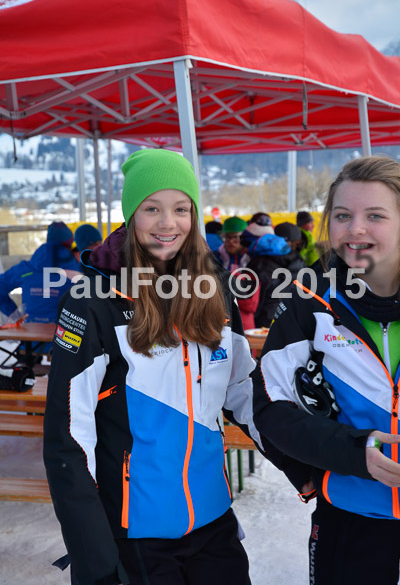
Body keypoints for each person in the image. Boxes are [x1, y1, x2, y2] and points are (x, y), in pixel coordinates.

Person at [43, 149, 264, 585]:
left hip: (212, 521)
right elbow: (68, 437)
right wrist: (96, 558)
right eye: (152, 208)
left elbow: (245, 391)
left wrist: (318, 463)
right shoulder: (93, 300)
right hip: (135, 532)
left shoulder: (214, 285)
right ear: (131, 215)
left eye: (181, 209)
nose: (168, 223)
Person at [253, 156, 400, 585]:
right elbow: (269, 406)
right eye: (342, 215)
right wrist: (348, 453)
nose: (356, 229)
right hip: (349, 519)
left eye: (375, 215)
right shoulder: (309, 303)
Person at [0, 221, 80, 323]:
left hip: (31, 334)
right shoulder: (77, 271)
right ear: (69, 243)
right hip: (66, 334)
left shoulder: (27, 269)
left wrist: (16, 316)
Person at [242, 221, 305, 329]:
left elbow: (250, 299)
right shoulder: (300, 263)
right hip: (293, 323)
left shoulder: (258, 263)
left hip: (263, 324)